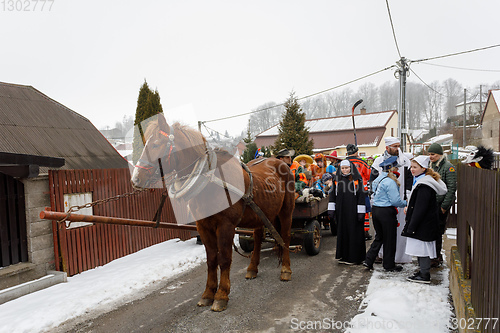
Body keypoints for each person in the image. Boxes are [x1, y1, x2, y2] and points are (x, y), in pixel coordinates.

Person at [403, 155, 447, 284]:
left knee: (422, 248)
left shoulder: (424, 185)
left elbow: (420, 208)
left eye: (415, 167)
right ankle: (423, 271)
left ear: (423, 168)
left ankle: (424, 274)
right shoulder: (423, 181)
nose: (412, 169)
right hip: (424, 223)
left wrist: (412, 225)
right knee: (421, 248)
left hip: (423, 223)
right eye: (411, 166)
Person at [371, 137, 413, 264]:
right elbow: (372, 181)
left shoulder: (405, 161)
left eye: (398, 146)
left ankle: (400, 256)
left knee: (399, 230)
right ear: (387, 148)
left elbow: (409, 180)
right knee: (383, 231)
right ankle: (382, 254)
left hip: (399, 201)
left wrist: (406, 196)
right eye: (394, 146)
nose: (397, 148)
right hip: (382, 204)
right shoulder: (378, 161)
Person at [364, 156, 407, 272]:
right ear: (391, 169)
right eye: (396, 169)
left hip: (377, 210)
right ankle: (389, 265)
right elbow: (395, 201)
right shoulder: (390, 182)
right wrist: (406, 203)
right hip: (387, 212)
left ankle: (368, 260)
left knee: (380, 237)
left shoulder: (378, 179)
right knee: (390, 239)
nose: (398, 171)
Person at [328, 160, 367, 265]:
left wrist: (361, 212)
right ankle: (344, 256)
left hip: (353, 211)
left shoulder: (356, 180)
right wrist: (331, 208)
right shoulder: (336, 179)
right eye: (343, 168)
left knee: (354, 232)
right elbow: (332, 194)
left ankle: (355, 257)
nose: (345, 170)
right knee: (343, 232)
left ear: (351, 168)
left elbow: (361, 195)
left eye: (347, 168)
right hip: (341, 211)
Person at [427, 143, 457, 267]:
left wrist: (444, 207)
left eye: (433, 154)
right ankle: (432, 255)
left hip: (440, 205)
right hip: (432, 204)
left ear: (440, 154)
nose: (430, 156)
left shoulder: (448, 168)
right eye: (429, 154)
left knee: (438, 231)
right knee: (431, 231)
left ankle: (436, 256)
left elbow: (451, 188)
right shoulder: (431, 166)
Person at [346, 144, 372, 240]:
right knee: (364, 211)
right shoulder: (362, 162)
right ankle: (364, 232)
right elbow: (369, 175)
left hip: (347, 191)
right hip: (362, 191)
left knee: (350, 211)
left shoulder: (343, 163)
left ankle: (352, 232)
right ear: (356, 152)